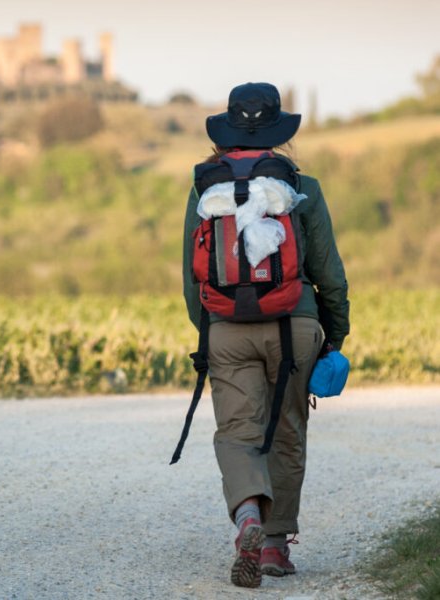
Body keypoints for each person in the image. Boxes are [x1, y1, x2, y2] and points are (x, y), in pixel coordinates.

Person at [181, 82, 350, 588]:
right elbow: (328, 272)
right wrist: (333, 334)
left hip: (227, 328)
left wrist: (209, 331)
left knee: (238, 433)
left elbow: (192, 278)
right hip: (294, 324)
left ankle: (248, 517)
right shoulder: (304, 187)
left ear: (227, 132)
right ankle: (274, 546)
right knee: (287, 431)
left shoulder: (205, 190)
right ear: (278, 134)